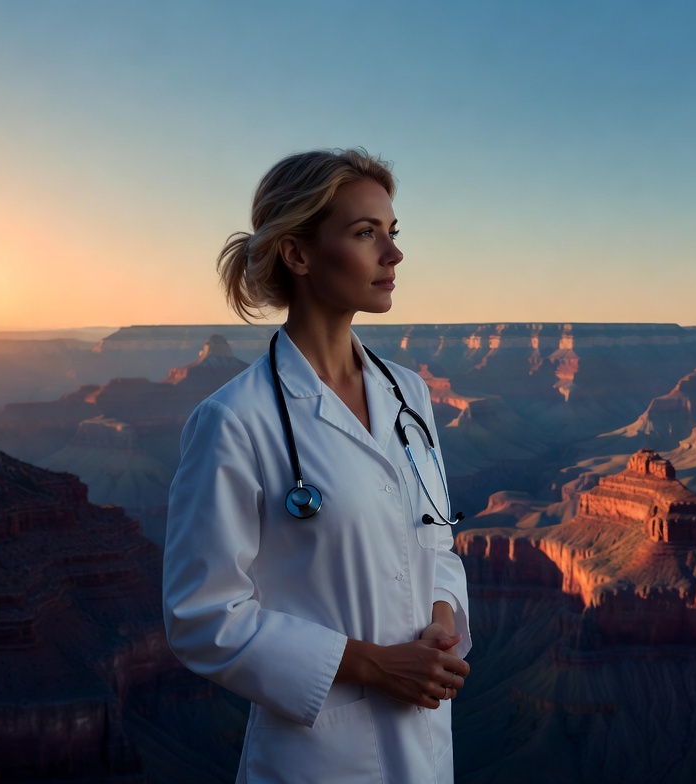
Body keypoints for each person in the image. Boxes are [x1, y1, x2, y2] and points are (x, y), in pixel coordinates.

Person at [162, 149, 472, 783]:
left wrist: (442, 615)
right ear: (298, 254)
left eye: (392, 233)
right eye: (366, 234)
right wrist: (372, 664)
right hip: (319, 759)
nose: (394, 255)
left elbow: (436, 537)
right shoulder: (236, 421)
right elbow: (201, 617)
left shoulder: (408, 395)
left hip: (425, 745)